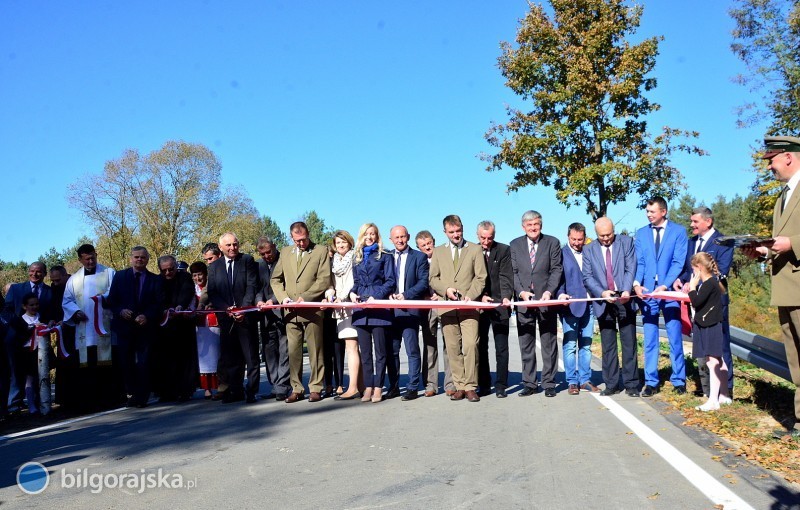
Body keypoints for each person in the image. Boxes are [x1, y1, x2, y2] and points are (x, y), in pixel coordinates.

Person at [744, 135, 800, 439]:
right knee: (796, 361)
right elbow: (781, 243)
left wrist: (791, 243)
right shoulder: (783, 197)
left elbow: (791, 241)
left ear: (789, 157)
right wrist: (763, 250)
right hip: (786, 289)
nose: (769, 167)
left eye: (772, 160)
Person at [674, 206, 734, 397]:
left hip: (714, 302)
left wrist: (697, 283)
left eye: (695, 221)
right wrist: (681, 280)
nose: (691, 225)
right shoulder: (692, 243)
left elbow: (722, 271)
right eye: (691, 221)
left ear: (708, 222)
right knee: (702, 345)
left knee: (720, 347)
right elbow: (687, 269)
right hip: (696, 302)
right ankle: (706, 387)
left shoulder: (723, 242)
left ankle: (726, 392)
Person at [633, 196, 689, 397]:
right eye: (647, 212)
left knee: (674, 336)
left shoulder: (679, 232)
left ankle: (679, 380)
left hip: (668, 291)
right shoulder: (641, 234)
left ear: (663, 212)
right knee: (649, 338)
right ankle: (651, 382)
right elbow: (639, 262)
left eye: (652, 212)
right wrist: (637, 284)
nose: (648, 215)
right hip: (648, 293)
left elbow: (678, 262)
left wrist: (665, 285)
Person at [271, 222, 331, 403]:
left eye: (303, 239)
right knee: (294, 352)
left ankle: (316, 387)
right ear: (291, 238)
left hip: (311, 310)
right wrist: (283, 298)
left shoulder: (320, 251)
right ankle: (297, 388)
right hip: (290, 311)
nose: (301, 243)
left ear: (308, 234)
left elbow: (324, 279)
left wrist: (306, 297)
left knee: (315, 351)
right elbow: (275, 279)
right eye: (297, 241)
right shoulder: (285, 252)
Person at [429, 215, 487, 402]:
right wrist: (446, 290)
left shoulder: (475, 249)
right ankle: (459, 385)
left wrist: (471, 295)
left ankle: (471, 386)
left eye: (458, 231)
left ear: (463, 228)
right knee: (453, 347)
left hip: (469, 307)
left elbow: (481, 277)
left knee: (471, 345)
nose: (456, 235)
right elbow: (433, 279)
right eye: (452, 232)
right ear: (445, 232)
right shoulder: (438, 252)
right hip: (446, 307)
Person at [582, 217, 640, 396]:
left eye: (609, 235)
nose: (606, 239)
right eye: (602, 236)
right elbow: (587, 277)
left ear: (614, 230)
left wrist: (625, 290)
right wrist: (602, 293)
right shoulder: (588, 249)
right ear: (596, 234)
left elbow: (631, 267)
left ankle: (631, 384)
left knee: (629, 343)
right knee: (608, 346)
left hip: (624, 298)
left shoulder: (626, 242)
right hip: (603, 301)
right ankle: (611, 384)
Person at [509, 210, 563, 397]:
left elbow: (556, 270)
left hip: (546, 301)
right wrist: (521, 292)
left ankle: (549, 383)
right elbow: (513, 272)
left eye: (536, 224)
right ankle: (530, 383)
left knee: (549, 344)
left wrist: (549, 292)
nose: (533, 228)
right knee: (526, 345)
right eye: (529, 225)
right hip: (524, 302)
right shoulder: (515, 245)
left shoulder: (552, 243)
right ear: (523, 226)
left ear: (541, 225)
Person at [61, 244, 118, 411]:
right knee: (88, 368)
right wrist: (76, 312)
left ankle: (111, 399)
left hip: (105, 328)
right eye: (86, 259)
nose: (90, 261)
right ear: (80, 259)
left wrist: (103, 299)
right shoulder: (74, 280)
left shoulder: (109, 273)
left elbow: (115, 293)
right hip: (84, 330)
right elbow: (67, 301)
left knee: (107, 365)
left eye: (93, 257)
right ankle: (91, 403)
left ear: (96, 254)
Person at [206, 233, 260, 404]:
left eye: (235, 244)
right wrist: (225, 308)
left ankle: (251, 391)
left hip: (245, 317)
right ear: (221, 247)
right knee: (231, 358)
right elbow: (213, 292)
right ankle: (235, 390)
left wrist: (242, 308)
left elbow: (252, 286)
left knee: (250, 357)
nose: (232, 248)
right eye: (228, 245)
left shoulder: (247, 260)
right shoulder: (214, 267)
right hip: (226, 318)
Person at [107, 246, 163, 408]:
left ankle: (142, 396)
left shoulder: (155, 279)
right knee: (126, 362)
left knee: (144, 363)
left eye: (143, 257)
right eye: (136, 257)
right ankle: (132, 392)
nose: (139, 260)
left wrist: (147, 315)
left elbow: (158, 303)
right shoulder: (120, 276)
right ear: (131, 258)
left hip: (145, 328)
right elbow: (112, 300)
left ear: (148, 259)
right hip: (124, 328)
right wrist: (120, 311)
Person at [349, 223, 396, 403]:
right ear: (361, 236)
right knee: (366, 352)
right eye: (366, 234)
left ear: (377, 236)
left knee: (381, 351)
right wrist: (352, 293)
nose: (369, 237)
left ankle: (378, 387)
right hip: (361, 310)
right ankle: (368, 386)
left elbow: (390, 281)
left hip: (379, 309)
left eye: (373, 234)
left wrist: (374, 297)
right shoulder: (357, 257)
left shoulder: (385, 256)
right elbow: (356, 282)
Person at [387, 225, 429, 401]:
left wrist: (405, 295)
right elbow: (383, 280)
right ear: (391, 239)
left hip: (410, 310)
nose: (400, 240)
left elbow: (423, 282)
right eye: (396, 237)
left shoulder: (419, 257)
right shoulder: (386, 257)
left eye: (402, 237)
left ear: (408, 237)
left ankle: (412, 387)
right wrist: (387, 294)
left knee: (412, 350)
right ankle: (394, 386)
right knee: (392, 351)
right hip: (389, 311)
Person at [556, 223, 597, 395]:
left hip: (590, 305)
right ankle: (572, 381)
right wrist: (560, 295)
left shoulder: (589, 251)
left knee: (586, 345)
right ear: (568, 237)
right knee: (570, 344)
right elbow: (557, 278)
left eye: (580, 239)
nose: (576, 243)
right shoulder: (561, 254)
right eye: (573, 239)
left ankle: (585, 380)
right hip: (570, 306)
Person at [4, 262, 52, 412]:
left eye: (38, 272)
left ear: (44, 273)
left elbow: (53, 312)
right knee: (16, 373)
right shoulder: (16, 289)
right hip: (17, 338)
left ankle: (38, 402)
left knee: (38, 372)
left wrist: (49, 322)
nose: (34, 274)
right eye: (32, 271)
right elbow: (6, 311)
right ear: (28, 272)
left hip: (40, 340)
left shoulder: (50, 292)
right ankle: (14, 404)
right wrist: (23, 325)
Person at [687, 252, 730, 412]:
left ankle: (713, 400)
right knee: (719, 360)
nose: (692, 273)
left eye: (693, 269)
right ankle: (724, 395)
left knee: (712, 362)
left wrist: (692, 287)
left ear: (698, 268)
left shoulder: (708, 284)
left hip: (709, 324)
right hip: (711, 322)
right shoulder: (713, 282)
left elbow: (696, 301)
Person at [476, 221, 513, 398]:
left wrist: (506, 296)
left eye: (490, 237)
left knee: (501, 347)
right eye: (483, 237)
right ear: (478, 236)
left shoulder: (504, 250)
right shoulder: (472, 250)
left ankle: (501, 385)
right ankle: (483, 384)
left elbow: (506, 276)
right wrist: (481, 296)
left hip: (500, 305)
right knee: (481, 347)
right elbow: (472, 278)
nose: (486, 241)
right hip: (480, 305)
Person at [324, 230, 362, 400]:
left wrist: (342, 296)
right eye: (338, 243)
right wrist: (330, 294)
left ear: (350, 242)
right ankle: (361, 385)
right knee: (352, 347)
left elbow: (354, 281)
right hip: (339, 308)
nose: (341, 245)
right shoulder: (334, 261)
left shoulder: (355, 257)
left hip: (351, 305)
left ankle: (353, 387)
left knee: (351, 347)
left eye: (343, 242)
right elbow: (332, 284)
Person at [416, 230, 454, 397]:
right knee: (430, 345)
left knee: (449, 344)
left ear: (433, 242)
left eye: (429, 243)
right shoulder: (418, 260)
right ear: (418, 247)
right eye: (423, 245)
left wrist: (441, 294)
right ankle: (430, 383)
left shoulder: (444, 256)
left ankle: (451, 383)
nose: (427, 247)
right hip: (427, 306)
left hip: (444, 302)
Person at [156, 255, 198, 402]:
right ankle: (167, 391)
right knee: (167, 360)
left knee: (185, 359)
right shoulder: (158, 281)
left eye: (171, 269)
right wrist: (165, 310)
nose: (168, 273)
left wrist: (180, 305)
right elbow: (158, 298)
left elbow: (187, 292)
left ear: (175, 266)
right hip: (165, 327)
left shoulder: (185, 277)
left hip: (183, 326)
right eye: (164, 270)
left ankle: (185, 390)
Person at [255, 237, 291, 401]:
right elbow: (257, 287)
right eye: (262, 254)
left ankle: (283, 386)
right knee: (269, 351)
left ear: (275, 247)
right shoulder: (259, 265)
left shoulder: (285, 261)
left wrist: (274, 300)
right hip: (266, 315)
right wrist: (259, 301)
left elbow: (287, 286)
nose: (266, 256)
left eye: (268, 252)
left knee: (285, 351)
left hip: (282, 313)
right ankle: (275, 385)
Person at [11, 293, 54, 415]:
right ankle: (31, 405)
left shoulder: (42, 317)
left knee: (43, 377)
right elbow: (18, 339)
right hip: (27, 353)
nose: (34, 307)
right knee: (29, 379)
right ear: (25, 306)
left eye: (36, 304)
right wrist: (32, 329)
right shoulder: (19, 320)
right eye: (31, 305)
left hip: (42, 352)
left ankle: (44, 402)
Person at [190, 261, 220, 400]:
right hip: (200, 326)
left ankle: (218, 384)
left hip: (214, 323)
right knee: (203, 358)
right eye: (194, 275)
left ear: (206, 274)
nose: (198, 278)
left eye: (200, 274)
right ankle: (206, 388)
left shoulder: (212, 286)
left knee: (216, 355)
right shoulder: (191, 289)